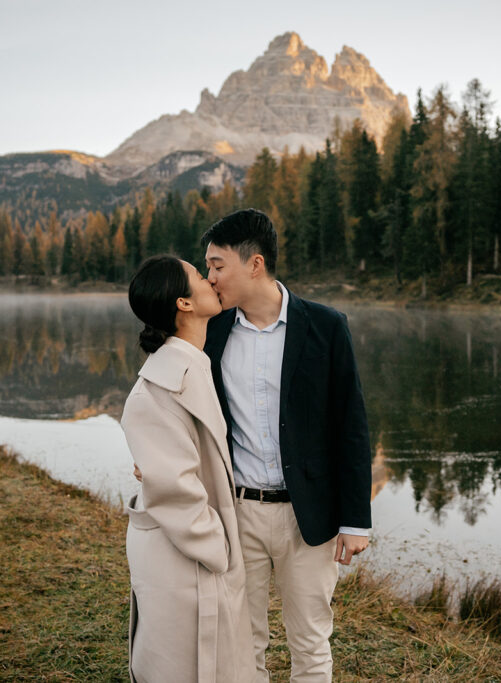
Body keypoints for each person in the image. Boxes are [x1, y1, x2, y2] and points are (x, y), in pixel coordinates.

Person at [202, 209, 372, 682]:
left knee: (311, 641)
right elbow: (185, 402)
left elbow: (351, 425)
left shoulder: (326, 326)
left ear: (253, 264)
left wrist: (355, 519)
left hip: (309, 516)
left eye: (217, 266)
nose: (209, 277)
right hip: (238, 514)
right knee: (241, 639)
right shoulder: (210, 331)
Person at [120, 254, 255, 683]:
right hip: (186, 561)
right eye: (200, 275)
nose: (210, 278)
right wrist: (221, 550)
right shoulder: (154, 391)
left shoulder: (195, 365)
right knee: (181, 668)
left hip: (196, 561)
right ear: (184, 304)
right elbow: (177, 491)